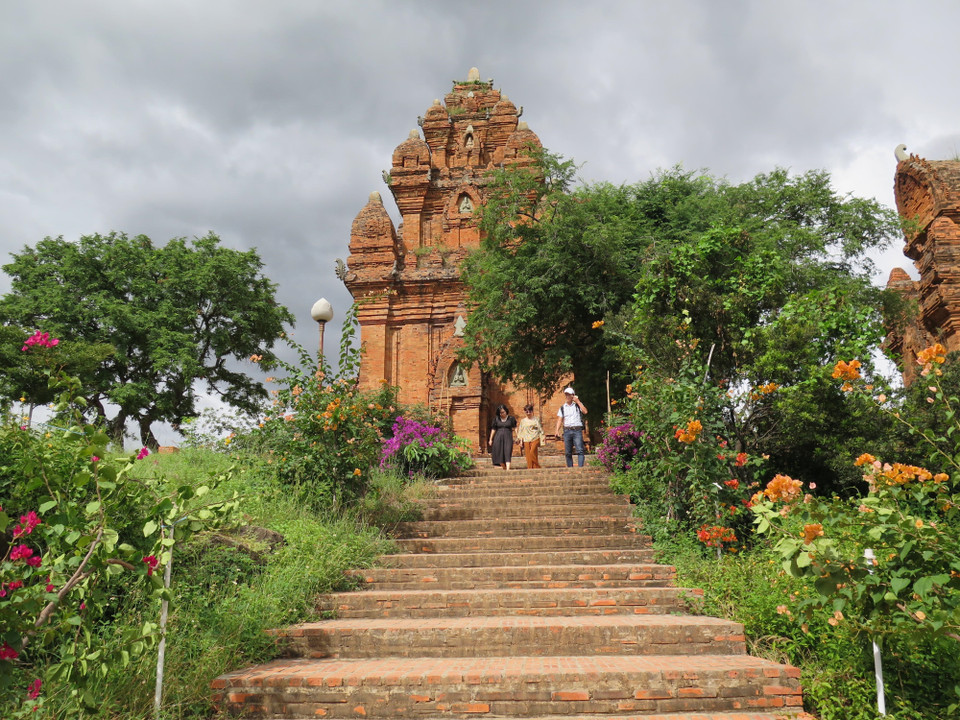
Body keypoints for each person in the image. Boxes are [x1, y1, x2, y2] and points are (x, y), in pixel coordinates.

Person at [554, 387, 587, 468]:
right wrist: (556, 430)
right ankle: (570, 468)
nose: (567, 396)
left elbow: (585, 411)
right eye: (566, 395)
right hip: (567, 430)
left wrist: (578, 401)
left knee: (580, 450)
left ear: (573, 396)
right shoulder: (563, 407)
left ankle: (580, 467)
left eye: (569, 395)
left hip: (577, 430)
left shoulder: (577, 405)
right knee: (568, 452)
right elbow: (559, 420)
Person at [488, 403, 517, 470]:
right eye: (500, 413)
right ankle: (504, 467)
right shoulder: (496, 419)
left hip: (508, 436)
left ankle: (508, 469)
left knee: (508, 451)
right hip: (498, 437)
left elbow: (515, 427)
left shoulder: (511, 419)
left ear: (506, 411)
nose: (502, 414)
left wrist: (517, 436)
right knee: (499, 452)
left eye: (503, 412)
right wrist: (490, 439)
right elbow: (493, 429)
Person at [517, 403, 545, 469]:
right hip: (526, 439)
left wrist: (543, 436)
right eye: (527, 411)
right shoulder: (523, 421)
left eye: (530, 411)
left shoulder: (536, 419)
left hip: (535, 437)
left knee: (532, 452)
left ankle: (537, 466)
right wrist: (521, 441)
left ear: (532, 411)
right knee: (528, 456)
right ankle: (531, 468)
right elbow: (521, 431)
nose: (528, 413)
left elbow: (540, 429)